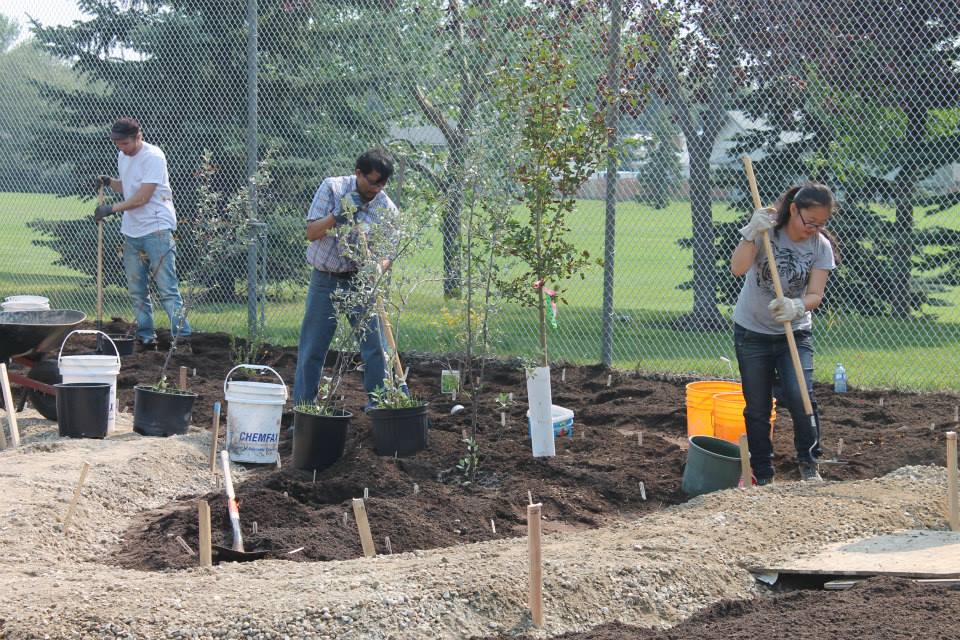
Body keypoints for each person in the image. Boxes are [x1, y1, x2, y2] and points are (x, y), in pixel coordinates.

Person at [731, 182, 838, 485]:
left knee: (800, 394)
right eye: (810, 222)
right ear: (793, 210)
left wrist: (796, 305)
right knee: (758, 406)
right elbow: (737, 269)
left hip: (795, 332)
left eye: (821, 224)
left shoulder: (820, 246)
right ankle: (762, 474)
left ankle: (809, 463)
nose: (814, 229)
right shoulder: (766, 233)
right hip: (752, 332)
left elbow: (815, 294)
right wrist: (750, 233)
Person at [293, 149, 398, 410]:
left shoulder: (386, 208)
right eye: (372, 181)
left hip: (361, 283)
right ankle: (305, 410)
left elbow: (389, 253)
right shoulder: (333, 188)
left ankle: (380, 405)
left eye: (382, 183)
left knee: (375, 347)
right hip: (325, 280)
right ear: (358, 173)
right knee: (313, 349)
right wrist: (338, 215)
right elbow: (312, 232)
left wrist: (378, 267)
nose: (377, 188)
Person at [93, 117, 190, 351]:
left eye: (125, 143)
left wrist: (110, 209)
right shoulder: (122, 156)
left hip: (156, 227)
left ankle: (183, 338)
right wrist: (110, 182)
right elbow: (129, 187)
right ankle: (146, 337)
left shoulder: (154, 157)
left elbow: (143, 197)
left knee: (167, 287)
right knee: (137, 289)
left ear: (138, 136)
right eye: (117, 144)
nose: (120, 148)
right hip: (133, 230)